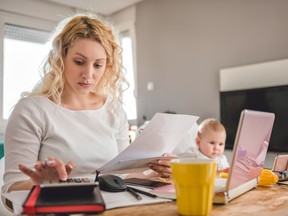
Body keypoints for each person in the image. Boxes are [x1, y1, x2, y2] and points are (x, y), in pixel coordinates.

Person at [1, 12, 172, 202]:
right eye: (79, 62)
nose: (88, 75)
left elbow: (123, 177)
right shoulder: (32, 110)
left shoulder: (113, 110)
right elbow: (11, 190)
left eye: (98, 65)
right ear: (61, 58)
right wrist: (43, 185)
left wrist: (158, 170)